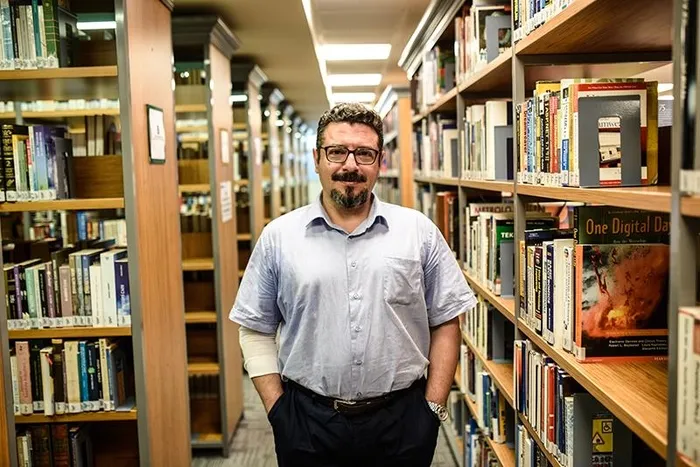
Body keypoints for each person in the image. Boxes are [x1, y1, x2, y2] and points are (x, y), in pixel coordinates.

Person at [229, 102, 476, 467]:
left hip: (403, 422)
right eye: (336, 152)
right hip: (307, 423)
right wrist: (278, 411)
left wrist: (432, 410)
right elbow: (255, 329)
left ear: (380, 161)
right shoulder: (278, 237)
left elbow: (446, 321)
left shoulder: (418, 232)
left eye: (364, 153)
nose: (350, 165)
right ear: (317, 159)